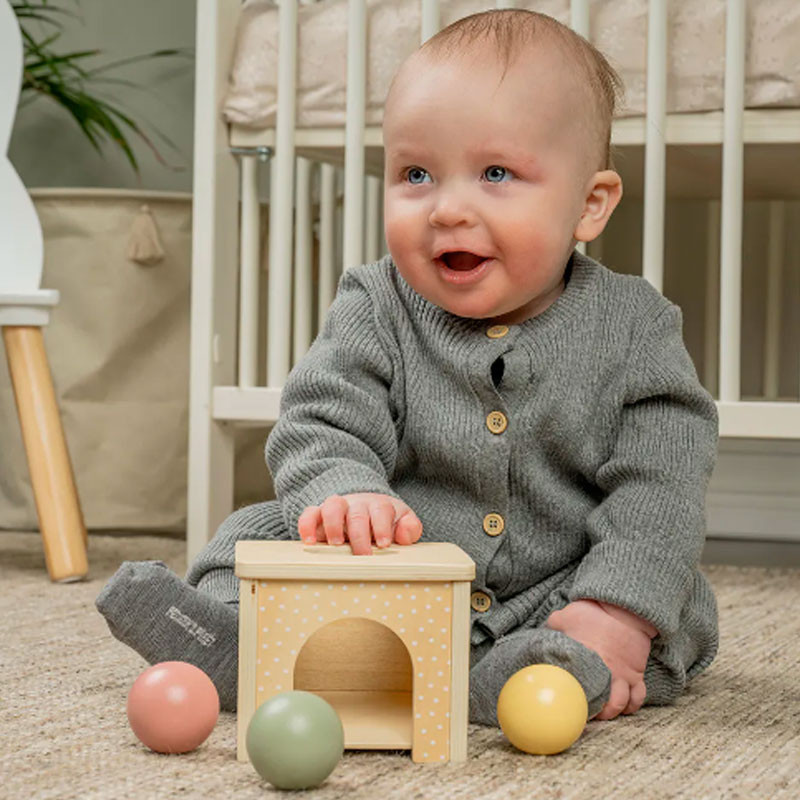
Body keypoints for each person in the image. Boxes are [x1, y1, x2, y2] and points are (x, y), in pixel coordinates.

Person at [96, 8, 719, 726]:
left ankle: (539, 670)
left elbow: (661, 485)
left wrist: (615, 608)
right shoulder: (376, 302)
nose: (448, 209)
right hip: (391, 575)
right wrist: (347, 493)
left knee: (673, 602)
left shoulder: (636, 326)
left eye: (496, 174)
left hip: (557, 589)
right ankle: (241, 644)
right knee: (252, 532)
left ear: (589, 203)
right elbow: (321, 419)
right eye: (416, 174)